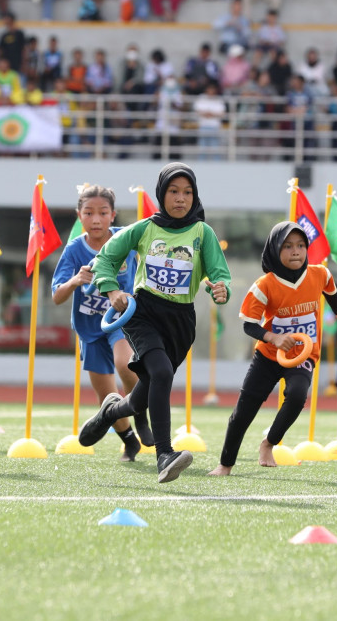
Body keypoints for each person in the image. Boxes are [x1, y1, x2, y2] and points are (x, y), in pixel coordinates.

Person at [76, 163, 232, 483]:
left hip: (181, 320)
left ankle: (110, 412)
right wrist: (112, 289)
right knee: (160, 373)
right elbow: (107, 258)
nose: (181, 198)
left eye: (187, 192)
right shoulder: (145, 228)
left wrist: (220, 288)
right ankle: (165, 454)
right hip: (143, 312)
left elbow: (219, 274)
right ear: (162, 194)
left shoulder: (203, 233)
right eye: (173, 191)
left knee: (145, 393)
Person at [209, 222, 337, 475]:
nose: (296, 251)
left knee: (298, 395)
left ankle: (268, 443)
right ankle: (225, 465)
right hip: (268, 356)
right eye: (288, 246)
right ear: (274, 250)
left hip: (303, 354)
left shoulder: (320, 274)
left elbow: (332, 295)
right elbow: (248, 324)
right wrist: (274, 338)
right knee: (243, 412)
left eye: (301, 245)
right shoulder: (264, 285)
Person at [51, 185, 145, 461]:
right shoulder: (73, 250)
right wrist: (75, 281)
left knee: (124, 363)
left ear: (112, 215)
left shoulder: (124, 239)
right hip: (89, 331)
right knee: (107, 398)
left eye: (103, 213)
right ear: (79, 216)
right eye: (89, 212)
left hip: (120, 321)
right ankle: (129, 441)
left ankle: (141, 413)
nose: (96, 219)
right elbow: (56, 296)